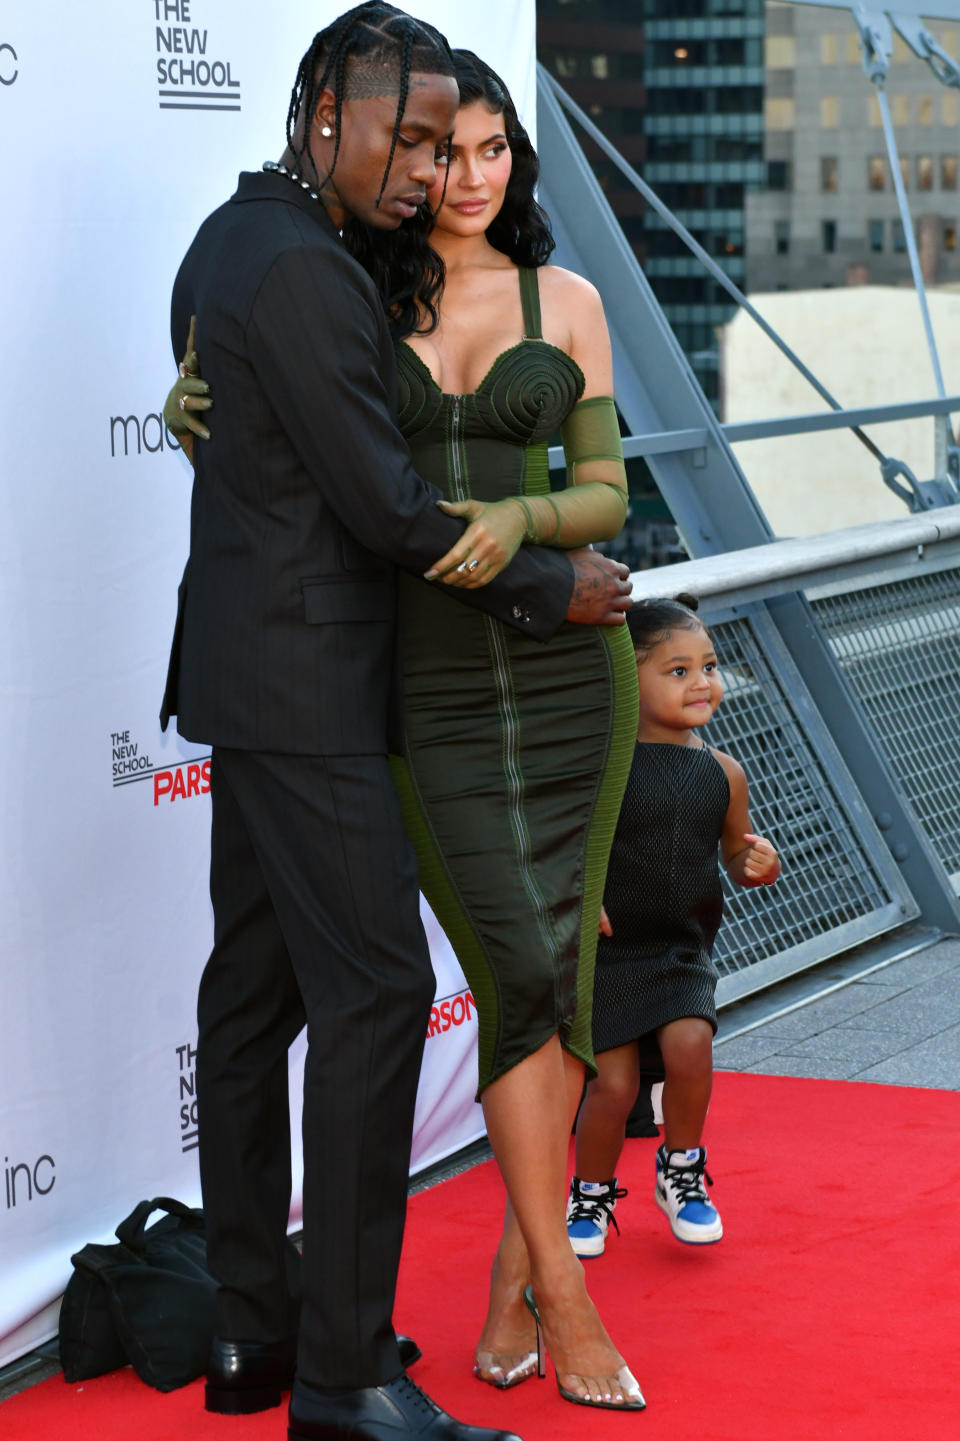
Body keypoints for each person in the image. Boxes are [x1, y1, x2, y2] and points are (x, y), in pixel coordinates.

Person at [159, 7, 632, 1441]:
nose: (429, 169)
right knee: (368, 994)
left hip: (261, 676)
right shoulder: (303, 267)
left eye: (454, 143)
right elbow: (383, 502)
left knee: (253, 995)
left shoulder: (240, 239)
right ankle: (348, 1376)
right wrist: (554, 584)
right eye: (409, 136)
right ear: (322, 111)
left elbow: (235, 389)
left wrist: (198, 398)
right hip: (311, 685)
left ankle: (256, 1330)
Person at [566, 595, 780, 1260]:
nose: (702, 682)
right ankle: (590, 1192)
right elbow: (571, 849)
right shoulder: (601, 766)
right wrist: (580, 898)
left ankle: (681, 1167)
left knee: (693, 1046)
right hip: (609, 953)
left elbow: (735, 857)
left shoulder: (723, 772)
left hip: (682, 948)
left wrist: (756, 860)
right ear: (627, 678)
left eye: (709, 666)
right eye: (678, 670)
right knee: (613, 1086)